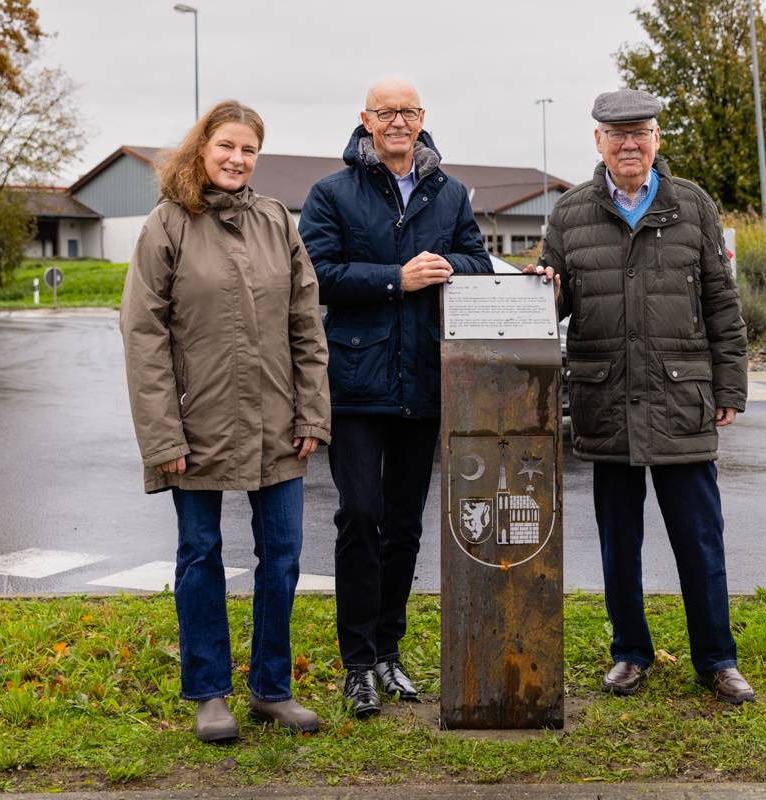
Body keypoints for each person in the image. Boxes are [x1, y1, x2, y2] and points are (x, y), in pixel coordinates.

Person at [529, 88, 754, 704]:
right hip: (606, 401)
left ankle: (717, 659)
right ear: (597, 141)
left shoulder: (694, 208)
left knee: (700, 539)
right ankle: (630, 653)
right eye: (617, 133)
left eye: (641, 132)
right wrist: (539, 291)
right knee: (617, 541)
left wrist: (729, 384)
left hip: (681, 399)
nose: (629, 143)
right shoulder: (570, 214)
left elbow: (721, 307)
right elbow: (553, 308)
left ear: (657, 140)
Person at [119, 100, 330, 742]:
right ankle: (210, 692)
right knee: (200, 554)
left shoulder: (276, 222)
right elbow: (142, 334)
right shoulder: (166, 225)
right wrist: (162, 434)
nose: (237, 160)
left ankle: (271, 689)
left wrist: (311, 411)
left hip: (276, 422)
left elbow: (305, 324)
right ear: (201, 149)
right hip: (195, 425)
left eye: (249, 150)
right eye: (226, 148)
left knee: (284, 556)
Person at [299, 77, 492, 717]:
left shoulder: (450, 192)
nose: (399, 121)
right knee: (359, 515)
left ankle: (388, 650)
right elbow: (318, 276)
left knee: (405, 524)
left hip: (424, 380)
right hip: (356, 385)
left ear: (422, 118)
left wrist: (445, 268)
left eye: (408, 111)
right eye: (386, 113)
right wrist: (395, 279)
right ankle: (356, 663)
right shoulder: (332, 193)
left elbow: (477, 262)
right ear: (366, 120)